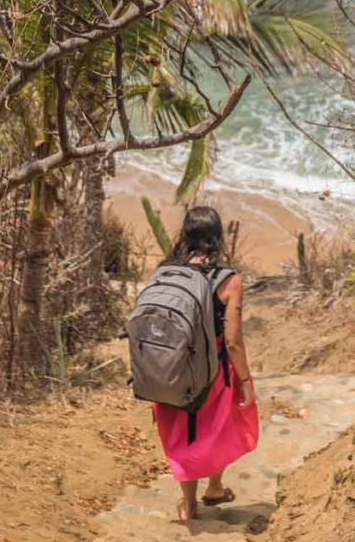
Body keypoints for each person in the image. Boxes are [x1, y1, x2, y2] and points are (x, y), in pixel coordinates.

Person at [153, 206, 259, 523]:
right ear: (217, 237)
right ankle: (214, 486)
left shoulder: (163, 272)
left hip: (169, 369)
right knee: (220, 426)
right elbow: (233, 342)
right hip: (212, 373)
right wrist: (246, 380)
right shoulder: (229, 281)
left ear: (184, 235)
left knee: (183, 434)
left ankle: (188, 503)